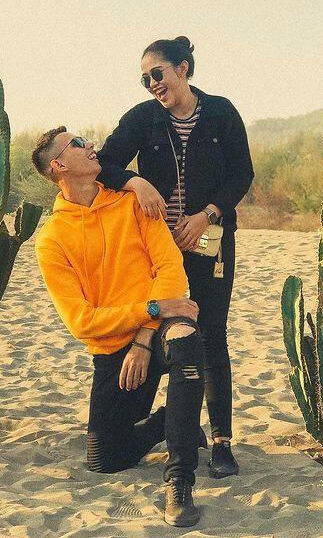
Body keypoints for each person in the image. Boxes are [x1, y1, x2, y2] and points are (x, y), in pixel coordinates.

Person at [32, 126, 207, 528]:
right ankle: (168, 422)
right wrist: (150, 308)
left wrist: (145, 336)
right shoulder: (52, 239)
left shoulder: (133, 203)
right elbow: (82, 321)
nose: (90, 145)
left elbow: (170, 269)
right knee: (104, 458)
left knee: (185, 339)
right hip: (113, 349)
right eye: (77, 144)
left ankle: (179, 479)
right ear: (58, 166)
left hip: (157, 334)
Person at [96, 36, 254, 478]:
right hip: (156, 249)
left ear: (183, 68)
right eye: (145, 79)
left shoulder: (221, 112)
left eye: (157, 74)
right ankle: (156, 425)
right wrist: (135, 182)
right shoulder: (143, 118)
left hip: (211, 242)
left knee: (212, 334)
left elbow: (242, 173)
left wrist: (207, 215)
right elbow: (104, 164)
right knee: (156, 328)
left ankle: (221, 443)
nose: (152, 84)